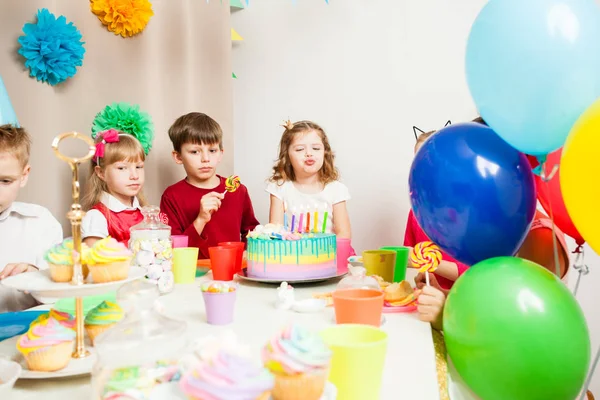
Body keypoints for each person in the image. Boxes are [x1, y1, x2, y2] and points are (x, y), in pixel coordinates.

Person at [160, 112, 259, 259]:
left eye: (212, 151)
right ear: (178, 156)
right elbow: (172, 250)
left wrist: (246, 252)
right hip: (193, 276)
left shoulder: (238, 191)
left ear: (220, 153)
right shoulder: (171, 196)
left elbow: (252, 232)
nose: (205, 159)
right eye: (195, 152)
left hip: (232, 273)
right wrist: (200, 220)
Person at [0, 124, 63, 312]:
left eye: (5, 181)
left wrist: (34, 276)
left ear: (24, 175)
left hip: (26, 333)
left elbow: (59, 295)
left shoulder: (41, 223)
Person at [267, 120, 351, 238]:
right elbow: (275, 232)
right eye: (300, 149)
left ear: (325, 152)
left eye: (316, 148)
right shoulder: (279, 188)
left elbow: (344, 234)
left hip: (329, 254)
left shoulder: (336, 189)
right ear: (287, 155)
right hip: (293, 254)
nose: (309, 153)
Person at [81, 129, 148, 246]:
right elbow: (93, 260)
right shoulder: (97, 217)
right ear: (101, 172)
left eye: (139, 167)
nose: (134, 176)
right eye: (122, 168)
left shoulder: (145, 212)